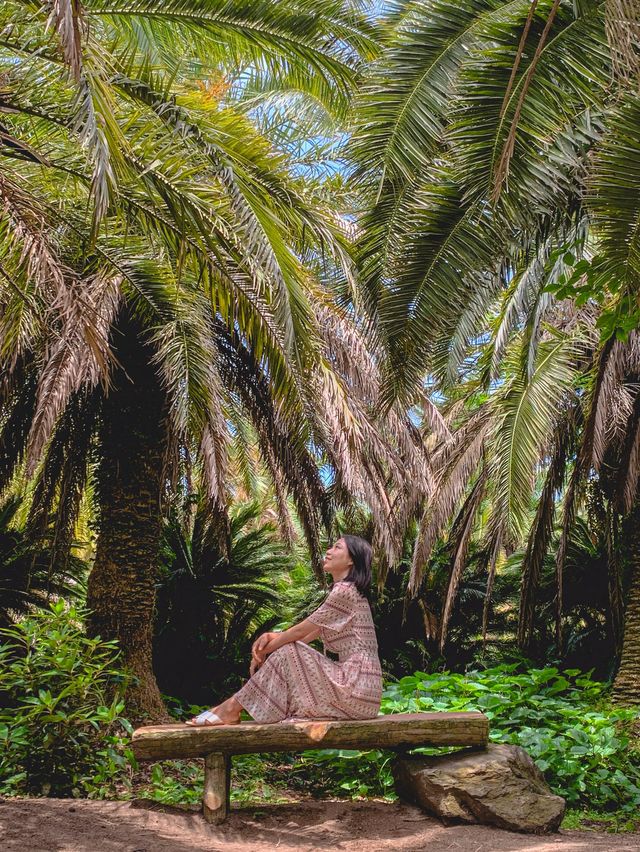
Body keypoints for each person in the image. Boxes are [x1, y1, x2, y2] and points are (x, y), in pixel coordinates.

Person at [185, 534, 383, 725]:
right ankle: (231, 707)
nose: (329, 551)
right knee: (288, 650)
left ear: (351, 560)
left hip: (356, 686)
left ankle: (231, 707)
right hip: (365, 694)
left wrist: (263, 651)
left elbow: (297, 634)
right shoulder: (351, 592)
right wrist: (272, 639)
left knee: (288, 649)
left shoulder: (345, 592)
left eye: (337, 547)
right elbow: (303, 638)